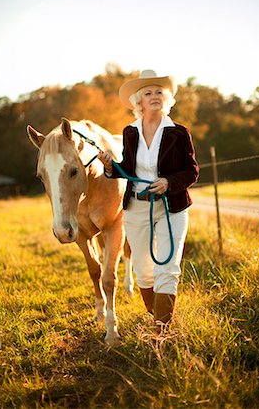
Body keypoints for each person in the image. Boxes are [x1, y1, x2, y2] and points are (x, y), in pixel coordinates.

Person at [98, 70, 199, 330]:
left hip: (172, 207)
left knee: (168, 266)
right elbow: (127, 169)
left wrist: (168, 182)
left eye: (159, 92)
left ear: (166, 99)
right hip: (137, 208)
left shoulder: (179, 132)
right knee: (143, 270)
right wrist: (111, 166)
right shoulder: (130, 132)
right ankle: (157, 315)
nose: (155, 96)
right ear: (138, 101)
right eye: (148, 93)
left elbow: (191, 171)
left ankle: (161, 332)